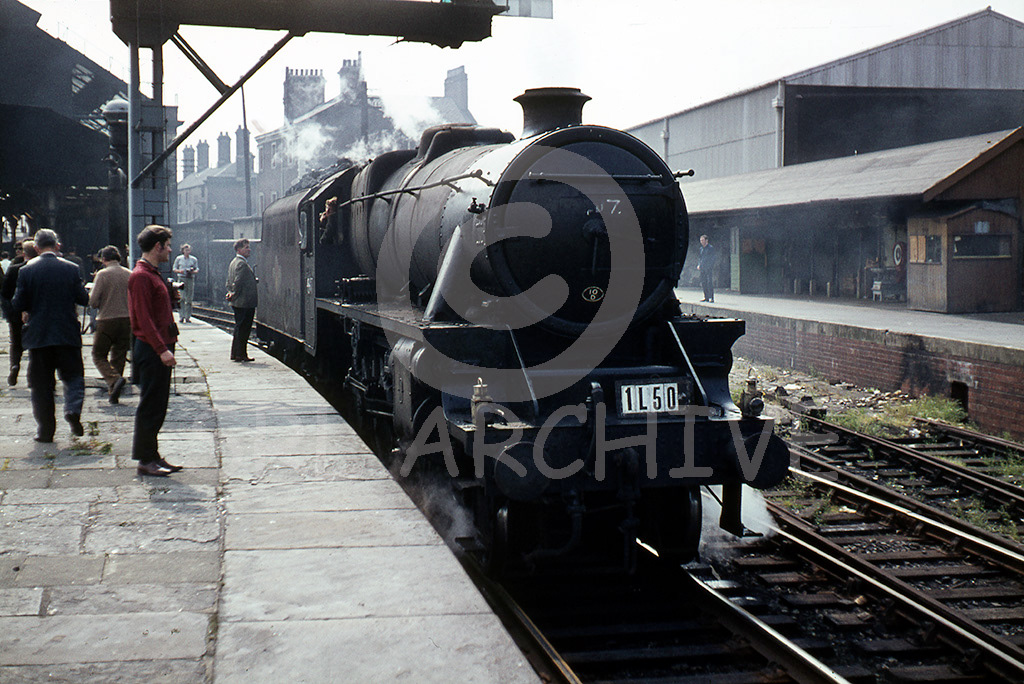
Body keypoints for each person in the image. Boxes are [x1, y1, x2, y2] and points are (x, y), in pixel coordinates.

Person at [11, 230, 89, 442]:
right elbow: (83, 299)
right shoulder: (71, 268)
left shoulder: (26, 270)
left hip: (39, 336)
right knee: (73, 377)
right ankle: (72, 409)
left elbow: (18, 303)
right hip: (67, 333)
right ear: (57, 245)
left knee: (41, 386)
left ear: (36, 248)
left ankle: (45, 431)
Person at [128, 225, 182, 476]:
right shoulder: (141, 276)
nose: (170, 250)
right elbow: (143, 318)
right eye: (168, 245)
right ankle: (145, 460)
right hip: (152, 349)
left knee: (158, 405)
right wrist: (162, 350)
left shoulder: (151, 274)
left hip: (158, 346)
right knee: (150, 405)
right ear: (157, 246)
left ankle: (153, 455)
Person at [90, 245, 132, 404]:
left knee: (98, 355)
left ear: (103, 259)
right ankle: (113, 392)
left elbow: (93, 302)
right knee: (119, 355)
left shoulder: (102, 274)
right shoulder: (129, 274)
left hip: (106, 319)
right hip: (126, 319)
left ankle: (114, 380)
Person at [1, 241, 31, 385]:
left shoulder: (14, 268)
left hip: (16, 312)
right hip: (34, 312)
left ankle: (15, 365)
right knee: (37, 343)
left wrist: (10, 312)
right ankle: (34, 374)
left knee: (16, 342)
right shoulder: (34, 268)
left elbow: (5, 293)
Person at [225, 238, 257, 362]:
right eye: (246, 247)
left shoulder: (233, 262)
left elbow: (229, 281)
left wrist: (230, 292)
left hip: (239, 302)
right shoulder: (241, 264)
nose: (249, 250)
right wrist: (233, 294)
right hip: (244, 302)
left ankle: (236, 354)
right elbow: (237, 282)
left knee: (239, 328)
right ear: (239, 250)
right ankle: (241, 354)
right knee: (244, 329)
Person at [172, 243, 198, 323]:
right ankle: (181, 316)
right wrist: (180, 271)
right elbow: (174, 268)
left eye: (189, 250)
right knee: (182, 298)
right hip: (181, 278)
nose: (188, 252)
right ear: (183, 251)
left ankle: (188, 317)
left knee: (189, 299)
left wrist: (192, 271)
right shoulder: (179, 259)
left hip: (190, 278)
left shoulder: (194, 259)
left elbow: (197, 269)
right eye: (186, 250)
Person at [697, 234, 717, 303]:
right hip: (702, 268)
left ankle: (711, 297)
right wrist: (699, 265)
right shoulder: (701, 249)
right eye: (701, 240)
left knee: (709, 282)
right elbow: (700, 258)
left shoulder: (710, 248)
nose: (701, 242)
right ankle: (706, 297)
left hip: (708, 268)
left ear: (706, 240)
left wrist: (710, 266)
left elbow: (713, 258)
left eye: (703, 240)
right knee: (703, 282)